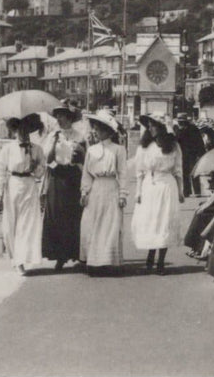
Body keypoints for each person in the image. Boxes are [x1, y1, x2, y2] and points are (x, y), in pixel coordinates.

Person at [0, 112, 47, 274]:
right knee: (11, 225)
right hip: (13, 185)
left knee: (27, 224)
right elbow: (0, 170)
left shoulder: (37, 149)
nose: (22, 133)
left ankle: (21, 260)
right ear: (15, 131)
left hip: (29, 186)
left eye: (26, 130)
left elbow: (41, 172)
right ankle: (14, 257)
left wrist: (35, 166)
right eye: (19, 130)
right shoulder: (8, 149)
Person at [131, 113, 184, 275]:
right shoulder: (144, 146)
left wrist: (181, 191)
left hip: (167, 186)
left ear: (162, 128)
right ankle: (150, 256)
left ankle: (160, 261)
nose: (151, 128)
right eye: (149, 125)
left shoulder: (173, 146)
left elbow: (178, 170)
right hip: (150, 185)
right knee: (150, 220)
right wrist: (138, 191)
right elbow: (139, 170)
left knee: (164, 221)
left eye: (154, 125)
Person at [79, 110, 128, 276]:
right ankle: (94, 261)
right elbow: (86, 173)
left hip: (111, 188)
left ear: (108, 131)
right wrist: (84, 192)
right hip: (96, 189)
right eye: (95, 128)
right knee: (93, 223)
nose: (96, 132)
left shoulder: (118, 150)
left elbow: (123, 173)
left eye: (99, 129)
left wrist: (122, 195)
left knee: (110, 224)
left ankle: (108, 261)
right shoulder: (91, 150)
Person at [41, 101, 86, 270]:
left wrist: (78, 154)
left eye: (63, 116)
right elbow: (46, 158)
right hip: (56, 176)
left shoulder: (79, 136)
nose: (59, 119)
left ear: (69, 118)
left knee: (73, 215)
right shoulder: (52, 136)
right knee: (56, 214)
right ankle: (59, 255)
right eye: (58, 116)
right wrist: (54, 144)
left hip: (73, 177)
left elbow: (85, 158)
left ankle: (74, 252)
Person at [174, 113, 206, 197]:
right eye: (180, 122)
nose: (180, 123)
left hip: (193, 154)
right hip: (183, 154)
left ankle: (197, 191)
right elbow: (176, 141)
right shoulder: (178, 130)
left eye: (182, 122)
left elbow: (199, 142)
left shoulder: (193, 129)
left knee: (194, 172)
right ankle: (186, 191)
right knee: (184, 172)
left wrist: (201, 154)